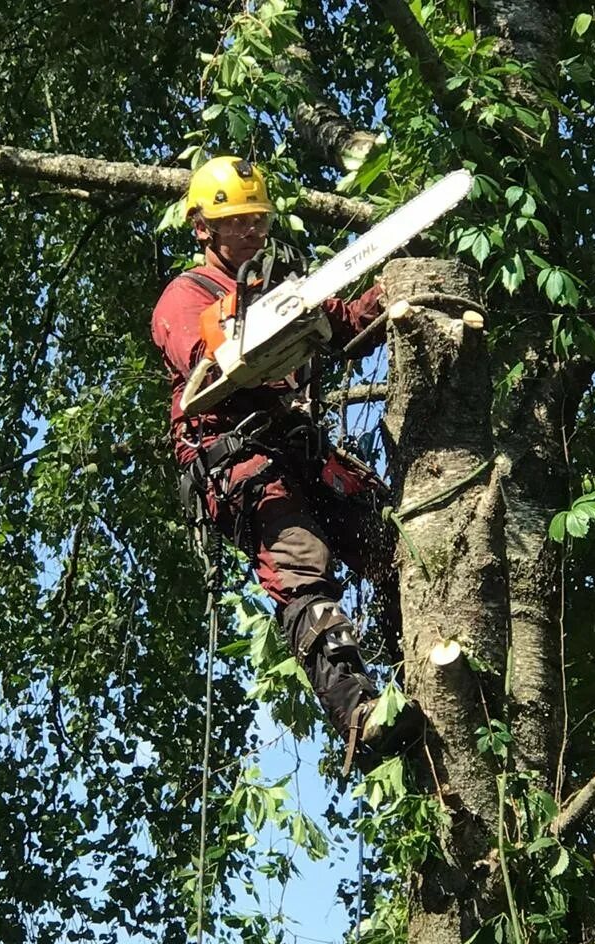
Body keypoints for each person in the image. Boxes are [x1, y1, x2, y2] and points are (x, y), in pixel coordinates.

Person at [151, 156, 420, 770]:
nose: (252, 232)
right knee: (302, 563)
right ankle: (358, 716)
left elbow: (346, 322)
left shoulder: (278, 288)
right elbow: (203, 355)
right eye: (238, 222)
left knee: (393, 536)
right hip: (240, 461)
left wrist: (393, 290)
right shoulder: (187, 295)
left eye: (258, 220)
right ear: (204, 229)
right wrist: (251, 328)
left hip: (297, 445)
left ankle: (423, 661)